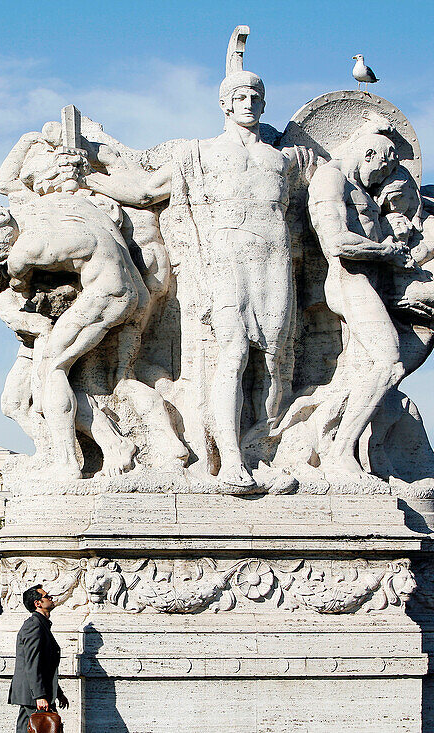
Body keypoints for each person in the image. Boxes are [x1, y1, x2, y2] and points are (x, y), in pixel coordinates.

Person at [82, 67, 312, 488]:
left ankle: (264, 445)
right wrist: (88, 177)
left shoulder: (281, 160)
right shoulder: (199, 153)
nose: (248, 104)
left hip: (274, 261)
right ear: (224, 104)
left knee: (278, 360)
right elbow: (147, 191)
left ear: (264, 104)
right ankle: (230, 458)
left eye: (255, 97)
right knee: (233, 353)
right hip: (224, 262)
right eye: (239, 96)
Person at [307, 133, 411, 476]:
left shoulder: (359, 189)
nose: (382, 178)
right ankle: (340, 452)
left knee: (360, 373)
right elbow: (335, 240)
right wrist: (385, 251)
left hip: (368, 283)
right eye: (383, 169)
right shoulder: (330, 177)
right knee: (389, 364)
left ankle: (324, 440)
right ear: (368, 154)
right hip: (348, 281)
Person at [9, 585, 68, 733]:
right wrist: (40, 696)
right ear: (38, 603)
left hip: (33, 692)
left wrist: (58, 693)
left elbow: (45, 666)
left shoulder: (41, 625)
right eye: (47, 596)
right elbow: (32, 663)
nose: (51, 598)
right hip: (34, 694)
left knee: (26, 729)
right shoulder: (34, 625)